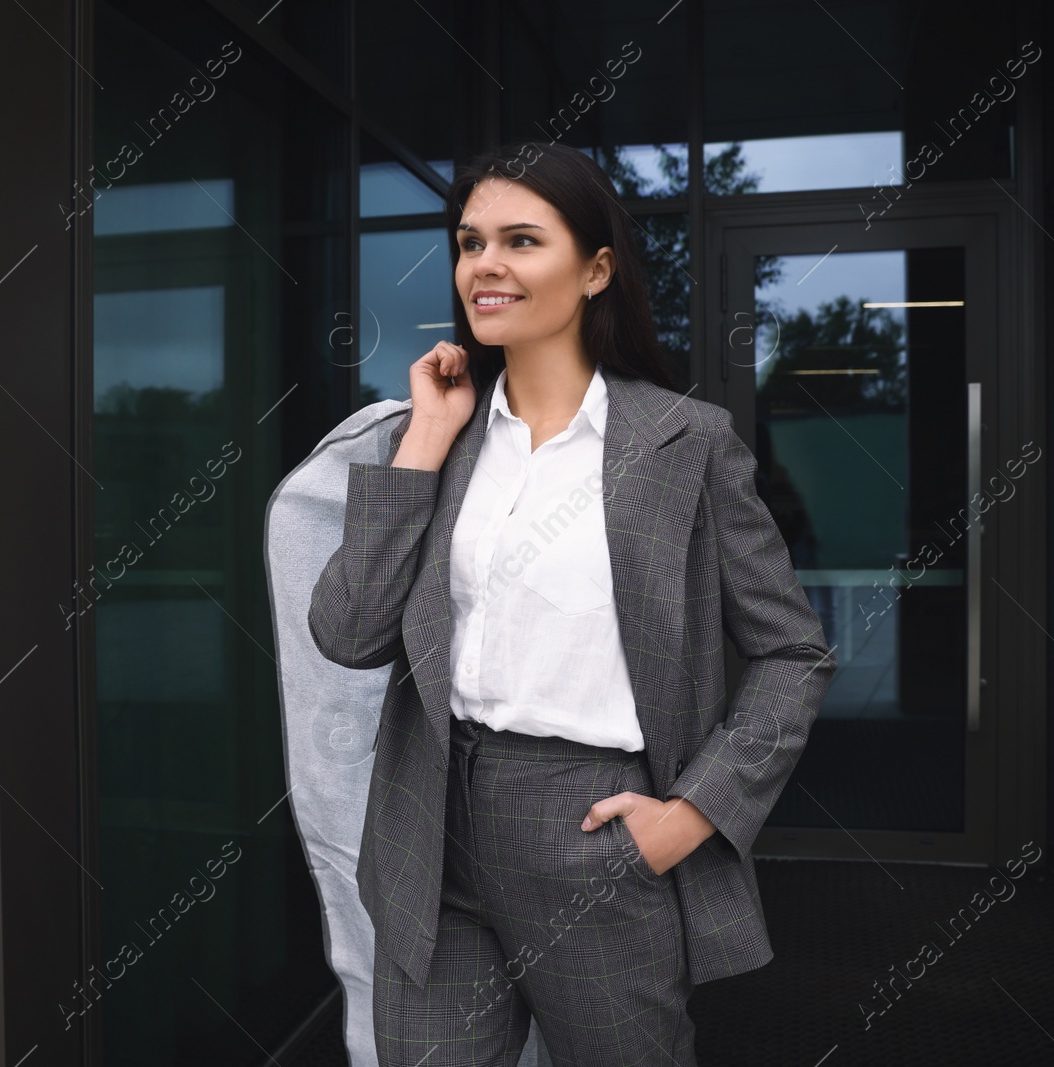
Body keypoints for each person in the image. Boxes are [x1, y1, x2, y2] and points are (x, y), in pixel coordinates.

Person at [308, 142, 836, 1067]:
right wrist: (427, 439)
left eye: (521, 239)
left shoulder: (689, 443)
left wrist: (693, 813)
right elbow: (348, 632)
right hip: (428, 826)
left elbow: (791, 654)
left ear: (595, 269)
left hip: (591, 827)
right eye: (471, 242)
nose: (487, 265)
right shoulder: (438, 434)